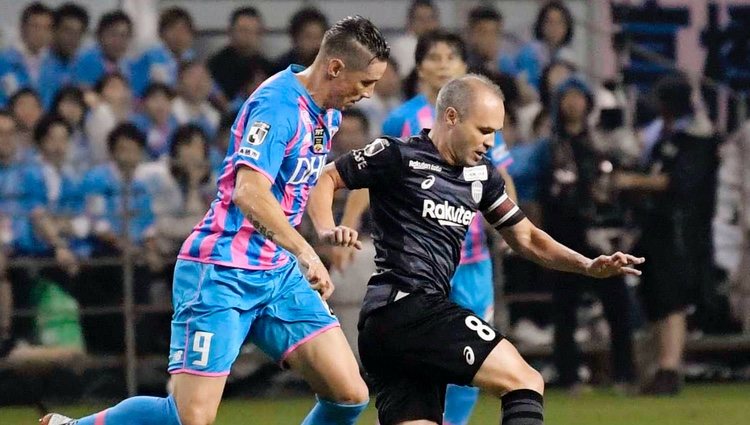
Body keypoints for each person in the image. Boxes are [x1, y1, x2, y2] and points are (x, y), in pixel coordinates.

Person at [42, 15, 390, 425]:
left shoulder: (327, 112)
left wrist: (324, 229)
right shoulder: (276, 107)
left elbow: (309, 178)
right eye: (365, 83)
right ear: (335, 67)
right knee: (190, 418)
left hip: (276, 273)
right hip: (221, 270)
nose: (367, 95)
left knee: (349, 395)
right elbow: (249, 193)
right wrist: (305, 251)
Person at [307, 74, 644, 425]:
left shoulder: (481, 176)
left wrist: (587, 265)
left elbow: (527, 238)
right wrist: (326, 229)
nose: (490, 141)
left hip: (391, 330)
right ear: (451, 117)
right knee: (525, 381)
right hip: (408, 308)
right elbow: (326, 178)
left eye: (495, 131)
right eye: (483, 130)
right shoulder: (397, 155)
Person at [615, 73, 719, 395]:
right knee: (655, 297)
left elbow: (679, 183)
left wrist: (631, 182)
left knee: (672, 298)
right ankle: (658, 366)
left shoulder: (697, 138)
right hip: (656, 228)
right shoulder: (663, 137)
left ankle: (670, 368)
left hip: (680, 230)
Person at [539, 76, 636, 393]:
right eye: (567, 96)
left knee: (617, 305)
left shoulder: (601, 142)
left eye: (579, 96)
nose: (573, 103)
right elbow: (541, 191)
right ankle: (568, 376)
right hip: (563, 233)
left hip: (600, 234)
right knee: (564, 308)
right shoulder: (549, 145)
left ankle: (624, 374)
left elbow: (617, 184)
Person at [208, 7, 272, 101]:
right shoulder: (215, 65)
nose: (248, 37)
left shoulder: (267, 68)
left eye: (253, 32)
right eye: (243, 30)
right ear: (230, 31)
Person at [132, 7, 197, 97]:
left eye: (183, 29)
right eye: (172, 29)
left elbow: (211, 89)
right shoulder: (149, 58)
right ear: (161, 33)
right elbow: (136, 92)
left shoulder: (192, 58)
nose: (178, 35)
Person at [0, 2, 53, 107]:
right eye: (35, 26)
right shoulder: (4, 61)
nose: (40, 33)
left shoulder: (55, 65)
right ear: (22, 27)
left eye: (46, 28)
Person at [38, 3, 89, 109]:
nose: (73, 38)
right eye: (67, 31)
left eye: (78, 33)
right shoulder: (39, 64)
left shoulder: (81, 67)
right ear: (54, 31)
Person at [73, 10, 134, 88]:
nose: (118, 41)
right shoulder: (87, 60)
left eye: (123, 36)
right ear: (99, 35)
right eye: (113, 34)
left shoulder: (127, 65)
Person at [390, 0, 440, 78]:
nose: (426, 24)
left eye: (430, 18)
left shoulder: (444, 44)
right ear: (409, 22)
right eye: (420, 19)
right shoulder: (402, 46)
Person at [274, 7, 329, 72]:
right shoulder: (281, 68)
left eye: (320, 37)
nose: (316, 43)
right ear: (295, 38)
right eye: (308, 37)